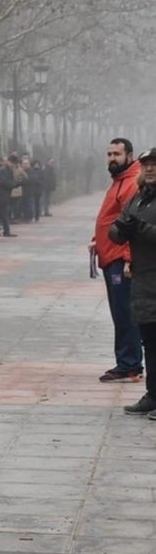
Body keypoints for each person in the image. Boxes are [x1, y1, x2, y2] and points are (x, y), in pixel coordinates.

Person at [93, 138, 143, 383]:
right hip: (109, 255)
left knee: (124, 312)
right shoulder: (119, 181)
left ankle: (130, 363)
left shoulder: (131, 183)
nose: (112, 158)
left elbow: (132, 225)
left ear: (129, 155)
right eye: (109, 153)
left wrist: (127, 259)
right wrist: (97, 238)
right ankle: (127, 361)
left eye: (117, 154)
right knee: (119, 310)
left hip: (119, 259)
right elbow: (112, 217)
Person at [110, 149, 156, 414]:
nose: (149, 169)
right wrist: (121, 229)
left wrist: (141, 229)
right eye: (146, 165)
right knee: (149, 343)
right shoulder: (138, 198)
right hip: (143, 282)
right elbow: (116, 230)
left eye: (154, 165)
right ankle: (153, 395)